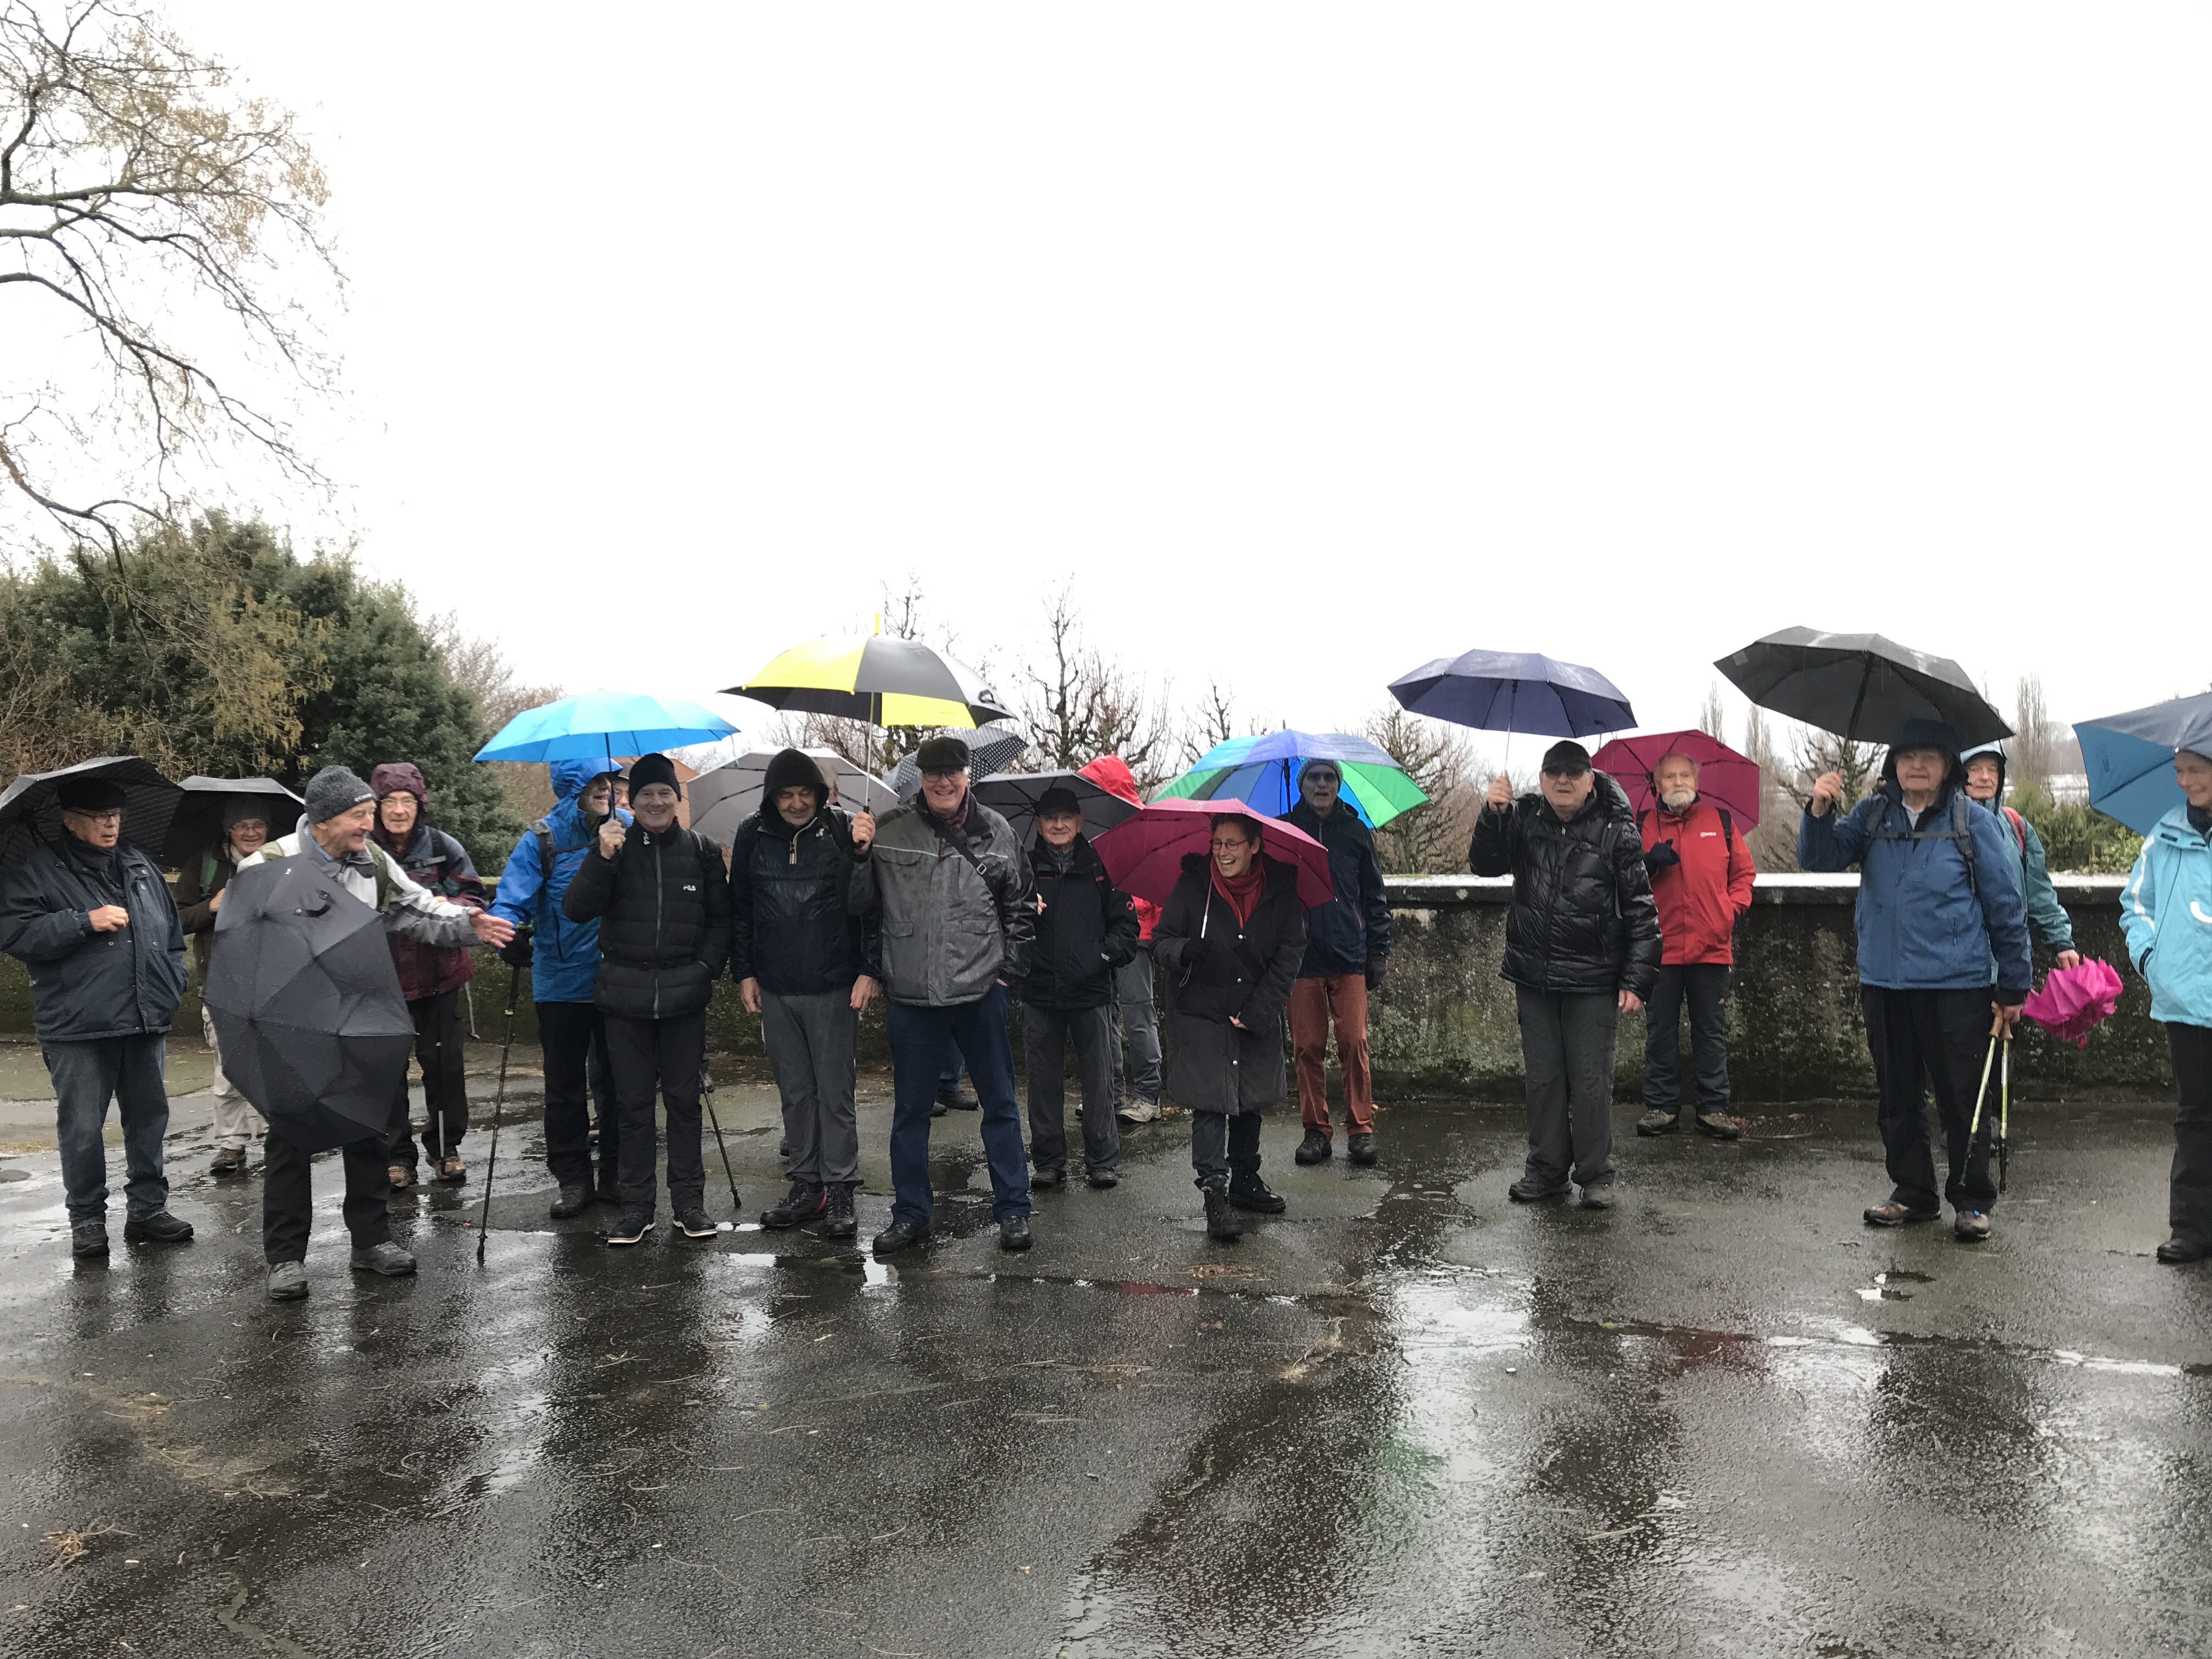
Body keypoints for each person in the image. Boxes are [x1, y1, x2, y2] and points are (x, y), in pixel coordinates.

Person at [255, 767, 514, 1300]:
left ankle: (371, 1241)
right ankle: (285, 1258)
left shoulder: (372, 861)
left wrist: (468, 924)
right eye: (360, 815)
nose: (370, 825)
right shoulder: (269, 864)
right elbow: (242, 944)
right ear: (324, 819)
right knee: (290, 1139)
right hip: (293, 1021)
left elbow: (416, 906)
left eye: (370, 814)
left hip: (360, 1015)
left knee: (368, 1131)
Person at [1799, 719, 2033, 1243]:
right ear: (1894, 766)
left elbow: (2005, 908)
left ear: (1948, 767)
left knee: (1963, 1098)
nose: (1917, 767)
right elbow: (1818, 858)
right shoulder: (1871, 816)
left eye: (1929, 757)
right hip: (1885, 982)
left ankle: (1972, 1200)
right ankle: (1913, 1192)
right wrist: (1819, 810)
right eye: (1907, 758)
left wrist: (2013, 987)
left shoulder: (1973, 822)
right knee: (1897, 1096)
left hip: (1957, 985)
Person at [847, 734, 1037, 1254]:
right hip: (912, 996)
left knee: (1000, 1105)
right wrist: (858, 854)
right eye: (934, 773)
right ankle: (910, 1214)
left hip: (981, 992)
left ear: (968, 775)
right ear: (921, 779)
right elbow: (860, 906)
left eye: (953, 772)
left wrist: (1008, 977)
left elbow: (1021, 906)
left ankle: (1013, 1209)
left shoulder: (997, 831)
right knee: (910, 1113)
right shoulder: (887, 830)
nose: (944, 782)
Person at [0, 775, 193, 1258]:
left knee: (148, 1120)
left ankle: (148, 1209)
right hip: (78, 1026)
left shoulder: (139, 865)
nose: (110, 824)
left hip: (145, 1016)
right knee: (83, 1128)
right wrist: (83, 921)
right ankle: (87, 1219)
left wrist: (172, 985)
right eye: (98, 817)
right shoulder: (35, 869)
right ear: (70, 821)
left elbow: (171, 933)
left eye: (115, 815)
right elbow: (14, 934)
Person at [1469, 742, 1661, 1211]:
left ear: (1590, 779)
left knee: (1591, 1081)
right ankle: (1547, 1171)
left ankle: (1596, 1175)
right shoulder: (1524, 818)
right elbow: (1485, 865)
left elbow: (1641, 909)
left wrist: (1636, 979)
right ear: (1541, 779)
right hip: (1534, 977)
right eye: (1554, 771)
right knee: (1544, 1080)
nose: (1563, 779)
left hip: (1594, 980)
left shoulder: (1617, 830)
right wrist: (1493, 815)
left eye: (1574, 771)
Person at [562, 753, 731, 1246]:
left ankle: (689, 1203)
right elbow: (576, 909)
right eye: (645, 795)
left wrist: (705, 970)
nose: (656, 802)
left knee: (684, 1103)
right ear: (630, 802)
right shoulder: (612, 847)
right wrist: (601, 858)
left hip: (684, 997)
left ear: (677, 799)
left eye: (664, 793)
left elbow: (722, 920)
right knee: (631, 1107)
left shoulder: (701, 851)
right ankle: (637, 1206)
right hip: (624, 998)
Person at [732, 748, 876, 1239]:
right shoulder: (752, 834)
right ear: (771, 797)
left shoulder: (844, 830)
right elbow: (741, 908)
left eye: (804, 793)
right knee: (795, 1092)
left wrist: (869, 971)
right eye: (786, 795)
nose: (796, 803)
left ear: (820, 793)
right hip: (776, 985)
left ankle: (840, 1187)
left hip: (834, 983)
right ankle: (807, 1184)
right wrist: (745, 972)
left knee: (835, 1092)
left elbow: (867, 907)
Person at [1153, 812, 1307, 1242]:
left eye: (1232, 844)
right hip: (1201, 1013)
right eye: (1217, 843)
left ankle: (1244, 1179)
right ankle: (1214, 1193)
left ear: (1255, 845)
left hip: (1254, 1008)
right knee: (1209, 1104)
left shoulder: (1281, 893)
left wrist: (1261, 1011)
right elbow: (1160, 943)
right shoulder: (1193, 887)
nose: (1222, 853)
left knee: (1248, 1099)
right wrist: (1185, 950)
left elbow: (1290, 954)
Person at [488, 758, 628, 1217]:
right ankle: (573, 1179)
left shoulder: (627, 828)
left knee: (619, 1084)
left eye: (609, 781)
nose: (606, 789)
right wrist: (505, 934)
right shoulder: (542, 839)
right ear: (573, 787)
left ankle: (617, 1174)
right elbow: (511, 898)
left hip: (617, 978)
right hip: (561, 983)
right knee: (565, 1088)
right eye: (595, 782)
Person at [369, 763, 488, 1190]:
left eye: (407, 801)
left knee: (444, 1067)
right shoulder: (363, 850)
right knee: (385, 1073)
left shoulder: (442, 846)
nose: (399, 810)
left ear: (420, 805)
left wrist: (446, 904)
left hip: (440, 977)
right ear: (376, 806)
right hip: (380, 981)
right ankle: (396, 1157)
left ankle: (445, 1149)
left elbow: (475, 897)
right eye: (389, 802)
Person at [2118, 746, 2212, 1263]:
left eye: (2196, 770)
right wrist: (2151, 960)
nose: (2184, 781)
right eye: (2180, 771)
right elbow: (2137, 905)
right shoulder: (2165, 834)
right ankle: (2192, 1227)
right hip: (2185, 1000)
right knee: (2195, 1115)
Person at [1634, 751, 1757, 1141]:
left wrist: (1731, 912)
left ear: (1696, 780)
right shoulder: (1641, 824)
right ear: (1657, 784)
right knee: (1660, 1032)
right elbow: (1622, 878)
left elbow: (1744, 874)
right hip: (1660, 948)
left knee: (1710, 1032)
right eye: (1670, 777)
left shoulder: (1720, 822)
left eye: (1685, 775)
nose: (1678, 783)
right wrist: (1648, 864)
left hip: (1711, 947)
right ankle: (1662, 1107)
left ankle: (1713, 1107)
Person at [1020, 787, 1138, 1190]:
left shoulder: (1103, 866)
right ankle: (1048, 1162)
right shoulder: (1024, 868)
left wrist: (1101, 957)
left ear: (1080, 821)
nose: (1058, 825)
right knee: (1042, 1082)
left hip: (1092, 991)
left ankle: (1102, 1160)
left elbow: (1127, 928)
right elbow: (1002, 920)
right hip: (1040, 990)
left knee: (1099, 1081)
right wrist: (1024, 910)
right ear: (1038, 824)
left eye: (1066, 817)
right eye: (1050, 818)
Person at [1283, 759, 1390, 1167]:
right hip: (1301, 957)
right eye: (1314, 777)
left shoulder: (1355, 832)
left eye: (1329, 777)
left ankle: (1361, 1130)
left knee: (1354, 1044)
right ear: (1301, 784)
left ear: (1339, 784)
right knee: (1307, 1047)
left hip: (1350, 953)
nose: (1322, 784)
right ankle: (1316, 1131)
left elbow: (1374, 896)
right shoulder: (1285, 831)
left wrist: (1378, 951)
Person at [174, 797, 272, 1174]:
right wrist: (212, 907)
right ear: (229, 830)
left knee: (275, 1064)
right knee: (228, 1067)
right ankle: (232, 1144)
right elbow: (177, 920)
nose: (251, 832)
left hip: (275, 981)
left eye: (258, 824)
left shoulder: (282, 862)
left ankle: (277, 1137)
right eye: (242, 825)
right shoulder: (204, 865)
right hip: (221, 984)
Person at [1962, 745, 2083, 971]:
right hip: (1959, 971)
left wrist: (2061, 942)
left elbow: (2039, 893)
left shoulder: (2016, 825)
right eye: (1975, 769)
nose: (1985, 777)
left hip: (2011, 966)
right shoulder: (1943, 828)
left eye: (1993, 769)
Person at [1110, 893, 1164, 1122]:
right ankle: (1111, 1090)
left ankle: (1149, 1096)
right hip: (1101, 933)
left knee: (1138, 1014)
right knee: (1101, 1014)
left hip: (1138, 934)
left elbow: (1158, 889)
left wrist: (1160, 936)